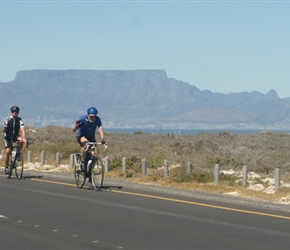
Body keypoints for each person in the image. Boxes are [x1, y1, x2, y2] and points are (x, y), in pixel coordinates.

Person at [72, 106, 106, 172]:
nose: (92, 118)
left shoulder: (97, 120)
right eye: (91, 116)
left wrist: (102, 139)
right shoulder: (82, 119)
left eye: (94, 116)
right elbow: (74, 130)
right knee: (85, 144)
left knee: (95, 153)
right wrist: (76, 126)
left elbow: (100, 129)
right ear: (87, 115)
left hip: (91, 137)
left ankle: (90, 172)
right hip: (82, 135)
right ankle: (82, 162)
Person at [3, 106, 27, 172]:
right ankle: (6, 166)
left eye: (16, 112)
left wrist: (24, 138)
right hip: (8, 137)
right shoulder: (7, 119)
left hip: (15, 136)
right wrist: (4, 128)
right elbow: (4, 130)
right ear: (11, 112)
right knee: (7, 151)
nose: (15, 113)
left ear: (18, 113)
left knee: (21, 140)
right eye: (13, 112)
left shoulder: (20, 120)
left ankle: (17, 153)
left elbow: (22, 129)